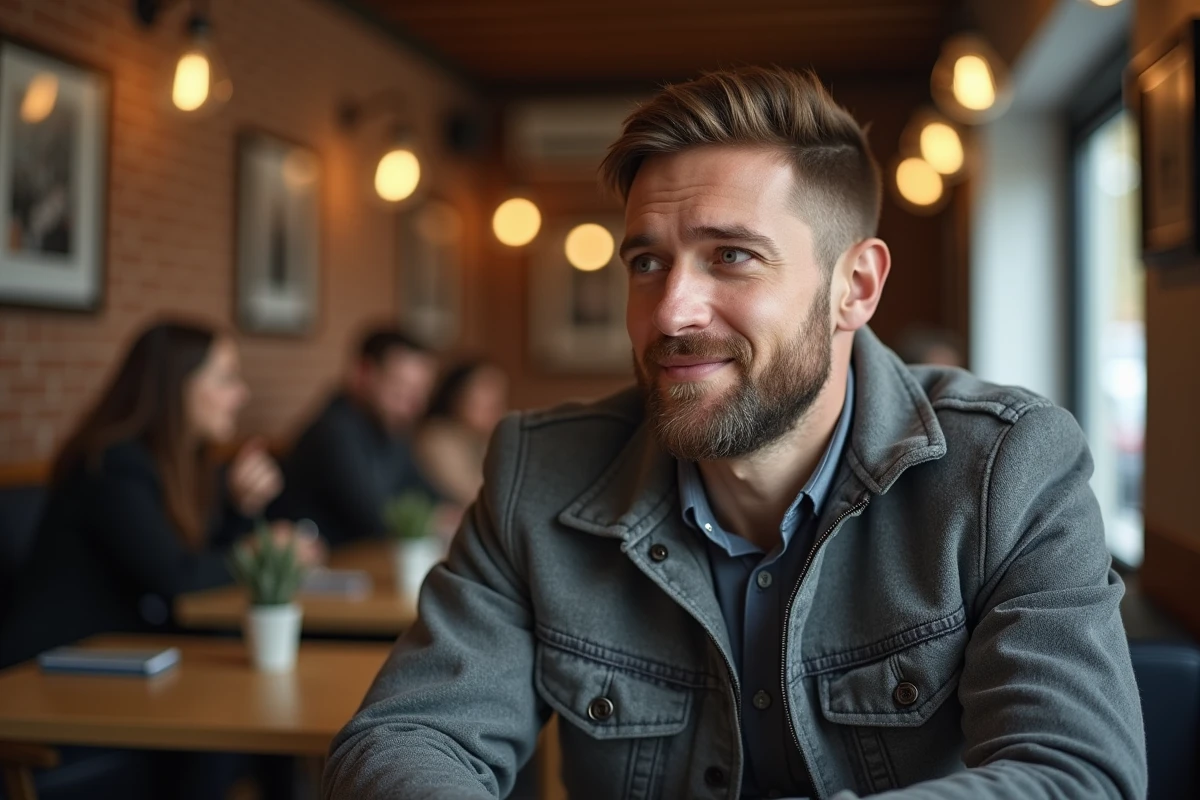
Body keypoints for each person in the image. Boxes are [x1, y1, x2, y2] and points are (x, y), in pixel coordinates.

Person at [324, 68, 1146, 800]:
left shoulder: (1006, 468)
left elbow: (1074, 772)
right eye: (647, 263)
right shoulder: (540, 474)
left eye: (731, 256)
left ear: (855, 287)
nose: (670, 312)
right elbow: (405, 739)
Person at [0, 320, 321, 669]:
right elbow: (177, 578)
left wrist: (241, 508)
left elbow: (202, 561)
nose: (242, 394)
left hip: (121, 657)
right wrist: (260, 550)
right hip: (50, 668)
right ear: (176, 386)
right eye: (226, 378)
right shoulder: (114, 465)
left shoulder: (180, 463)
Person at [277, 327, 439, 547]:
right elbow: (375, 519)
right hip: (326, 563)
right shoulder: (333, 431)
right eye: (400, 389)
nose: (415, 405)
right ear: (363, 373)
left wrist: (450, 511)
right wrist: (434, 519)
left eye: (420, 392)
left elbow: (423, 489)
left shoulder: (390, 428)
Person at [415, 360, 509, 507]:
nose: (496, 404)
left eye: (500, 397)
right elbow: (475, 495)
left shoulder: (482, 439)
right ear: (457, 396)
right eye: (486, 388)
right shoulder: (437, 439)